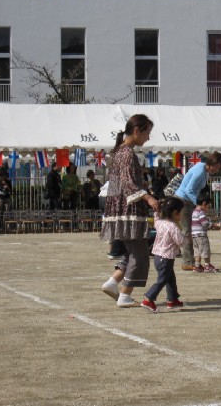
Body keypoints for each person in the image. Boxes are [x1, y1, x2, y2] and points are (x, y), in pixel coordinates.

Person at [100, 114, 160, 308]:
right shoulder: (126, 154)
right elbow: (128, 184)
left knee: (132, 252)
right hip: (128, 211)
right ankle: (125, 295)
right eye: (147, 133)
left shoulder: (120, 152)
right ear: (136, 131)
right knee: (140, 256)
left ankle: (113, 282)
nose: (148, 138)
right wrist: (148, 197)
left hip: (120, 210)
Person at [174, 151, 221, 271]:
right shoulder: (200, 170)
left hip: (188, 201)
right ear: (211, 162)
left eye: (219, 168)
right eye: (216, 166)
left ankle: (194, 262)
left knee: (193, 231)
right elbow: (188, 190)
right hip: (183, 201)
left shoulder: (204, 171)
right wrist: (198, 204)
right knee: (188, 232)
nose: (217, 170)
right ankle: (188, 262)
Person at [140, 196, 185, 313]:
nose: (182, 215)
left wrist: (157, 211)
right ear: (175, 213)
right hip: (166, 258)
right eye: (181, 212)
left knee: (170, 279)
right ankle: (148, 298)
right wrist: (187, 238)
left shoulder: (160, 222)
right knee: (163, 280)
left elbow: (156, 218)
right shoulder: (173, 226)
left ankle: (172, 299)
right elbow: (181, 242)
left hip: (158, 257)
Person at [191, 193, 217, 273]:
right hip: (201, 236)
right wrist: (212, 224)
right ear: (204, 203)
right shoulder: (201, 212)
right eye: (208, 206)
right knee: (205, 250)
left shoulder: (194, 212)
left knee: (197, 252)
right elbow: (205, 224)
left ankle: (197, 266)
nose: (208, 208)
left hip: (194, 236)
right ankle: (207, 265)